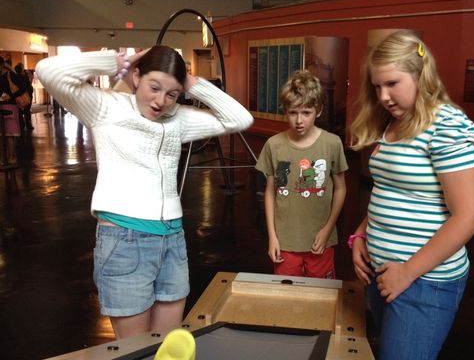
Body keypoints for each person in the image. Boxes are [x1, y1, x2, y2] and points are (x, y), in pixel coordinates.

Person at [35, 46, 253, 339]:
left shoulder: (179, 119)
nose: (161, 101)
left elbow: (240, 119)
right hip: (125, 241)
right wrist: (115, 62)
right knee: (133, 355)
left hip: (173, 240)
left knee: (165, 349)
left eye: (172, 94)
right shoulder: (105, 107)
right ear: (136, 76)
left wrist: (191, 83)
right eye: (154, 87)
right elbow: (48, 71)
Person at [349, 31, 474, 360]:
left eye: (392, 84)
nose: (383, 97)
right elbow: (391, 193)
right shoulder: (392, 123)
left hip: (424, 282)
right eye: (377, 86)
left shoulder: (447, 125)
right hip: (384, 275)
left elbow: (471, 215)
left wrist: (407, 271)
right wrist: (360, 236)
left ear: (421, 74)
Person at [256, 70, 348, 279]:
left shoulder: (332, 143)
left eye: (306, 112)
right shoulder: (274, 145)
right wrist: (272, 237)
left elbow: (341, 189)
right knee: (286, 296)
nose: (299, 120)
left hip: (320, 240)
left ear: (319, 110)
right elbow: (270, 192)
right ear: (285, 111)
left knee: (323, 295)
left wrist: (328, 229)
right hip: (285, 241)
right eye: (293, 112)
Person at [14, 63, 34, 131]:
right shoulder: (24, 77)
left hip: (19, 96)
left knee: (20, 110)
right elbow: (29, 86)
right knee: (27, 111)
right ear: (22, 69)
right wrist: (31, 78)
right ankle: (28, 125)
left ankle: (21, 125)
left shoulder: (15, 77)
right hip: (27, 95)